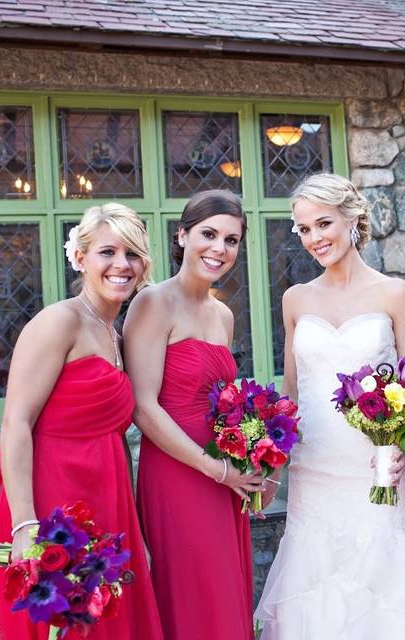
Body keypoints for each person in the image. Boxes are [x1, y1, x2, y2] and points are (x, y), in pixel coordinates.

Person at [254, 173, 405, 640]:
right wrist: (273, 463)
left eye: (323, 224)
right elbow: (294, 395)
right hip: (313, 467)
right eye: (304, 229)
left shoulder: (394, 293)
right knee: (316, 582)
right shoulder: (295, 299)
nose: (315, 238)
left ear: (352, 217)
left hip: (376, 468)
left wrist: (399, 445)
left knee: (388, 582)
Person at [0, 203, 163, 640]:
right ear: (81, 258)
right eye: (108, 252)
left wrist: (135, 528)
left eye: (133, 254)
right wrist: (26, 525)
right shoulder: (58, 322)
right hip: (52, 505)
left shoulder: (115, 334)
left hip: (107, 501)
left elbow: (116, 437)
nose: (122, 265)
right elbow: (16, 424)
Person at [124, 190, 262, 640]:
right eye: (208, 234)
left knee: (225, 589)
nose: (219, 248)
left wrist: (252, 454)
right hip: (180, 473)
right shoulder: (152, 303)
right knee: (193, 591)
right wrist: (214, 469)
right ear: (182, 235)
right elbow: (143, 408)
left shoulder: (223, 314)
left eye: (231, 239)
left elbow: (227, 400)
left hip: (226, 474)